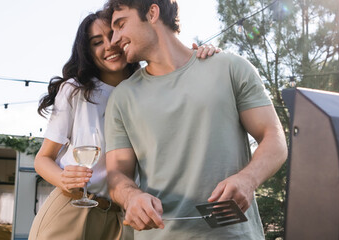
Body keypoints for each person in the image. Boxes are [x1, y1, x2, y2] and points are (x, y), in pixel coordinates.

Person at [102, 0, 289, 239]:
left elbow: (274, 139)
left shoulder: (230, 67)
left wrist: (248, 179)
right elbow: (117, 174)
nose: (114, 39)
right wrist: (131, 196)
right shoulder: (122, 98)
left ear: (152, 13)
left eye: (120, 25)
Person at [29, 10, 219, 240]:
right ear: (87, 52)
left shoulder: (148, 89)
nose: (109, 45)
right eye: (97, 42)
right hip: (72, 209)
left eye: (113, 35)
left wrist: (200, 58)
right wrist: (63, 179)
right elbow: (43, 159)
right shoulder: (75, 91)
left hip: (122, 219)